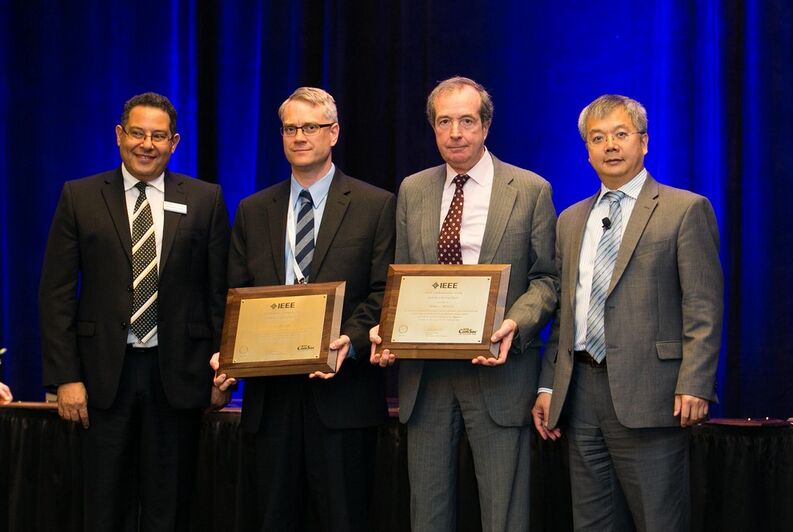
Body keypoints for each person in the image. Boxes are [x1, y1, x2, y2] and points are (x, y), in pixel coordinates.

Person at [370, 76, 558, 532]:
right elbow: (402, 276)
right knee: (427, 515)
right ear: (433, 128)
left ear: (486, 126)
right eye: (444, 122)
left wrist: (515, 323)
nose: (455, 133)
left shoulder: (530, 189)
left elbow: (547, 279)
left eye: (467, 121)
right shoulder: (413, 189)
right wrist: (388, 329)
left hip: (499, 373)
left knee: (503, 516)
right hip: (426, 376)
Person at [39, 92, 230, 531]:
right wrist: (65, 377)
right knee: (104, 507)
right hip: (102, 379)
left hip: (179, 377)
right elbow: (56, 294)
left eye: (158, 136)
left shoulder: (206, 199)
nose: (147, 144)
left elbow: (219, 294)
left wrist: (224, 371)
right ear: (119, 135)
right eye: (138, 133)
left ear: (174, 142)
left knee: (171, 508)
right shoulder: (79, 196)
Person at [532, 94, 723, 531]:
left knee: (660, 521)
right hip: (580, 395)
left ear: (644, 142)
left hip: (653, 396)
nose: (610, 146)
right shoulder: (570, 220)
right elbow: (565, 315)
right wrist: (548, 385)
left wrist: (695, 381)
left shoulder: (684, 209)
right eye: (597, 138)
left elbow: (703, 306)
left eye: (621, 134)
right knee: (593, 523)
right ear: (587, 150)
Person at [211, 87, 395, 532]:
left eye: (310, 127)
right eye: (290, 128)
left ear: (334, 133)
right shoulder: (253, 210)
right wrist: (230, 353)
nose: (299, 137)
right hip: (271, 403)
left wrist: (348, 341)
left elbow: (382, 292)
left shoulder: (375, 205)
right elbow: (236, 295)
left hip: (343, 399)